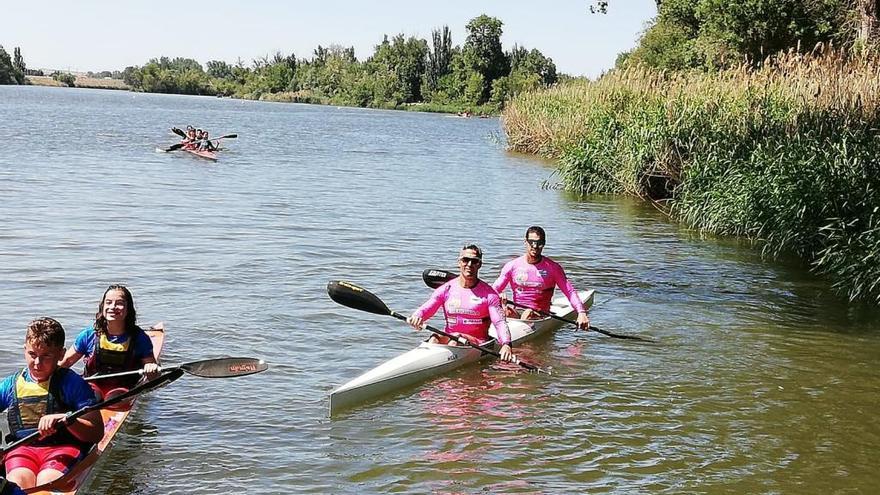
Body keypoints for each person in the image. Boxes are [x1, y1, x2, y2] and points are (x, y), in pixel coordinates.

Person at [0, 318, 104, 489]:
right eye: (32, 354)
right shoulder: (10, 385)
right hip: (23, 450)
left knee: (46, 483)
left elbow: (97, 433)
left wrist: (68, 420)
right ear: (25, 350)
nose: (37, 363)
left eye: (46, 356)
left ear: (61, 354)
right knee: (18, 483)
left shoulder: (72, 383)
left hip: (63, 448)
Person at [407, 244, 514, 361]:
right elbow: (428, 307)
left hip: (477, 342)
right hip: (451, 337)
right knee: (434, 338)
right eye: (465, 260)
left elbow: (499, 322)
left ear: (479, 265)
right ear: (459, 262)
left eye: (474, 261)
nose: (469, 264)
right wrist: (417, 316)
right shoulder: (446, 289)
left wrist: (506, 344)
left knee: (455, 339)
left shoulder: (489, 294)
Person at [59, 285, 159, 400]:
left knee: (113, 398)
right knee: (92, 397)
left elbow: (154, 378)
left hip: (123, 390)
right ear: (102, 307)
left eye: (119, 303)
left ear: (128, 309)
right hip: (93, 387)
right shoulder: (89, 335)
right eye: (108, 302)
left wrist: (151, 369)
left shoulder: (140, 338)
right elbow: (65, 363)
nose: (113, 307)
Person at [492, 226, 590, 329]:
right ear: (525, 242)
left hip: (540, 315)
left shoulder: (553, 268)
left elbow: (569, 292)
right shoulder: (512, 266)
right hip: (517, 313)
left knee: (528, 313)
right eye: (531, 242)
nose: (535, 246)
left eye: (539, 243)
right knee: (505, 310)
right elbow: (493, 291)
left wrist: (581, 312)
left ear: (544, 244)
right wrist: (497, 299)